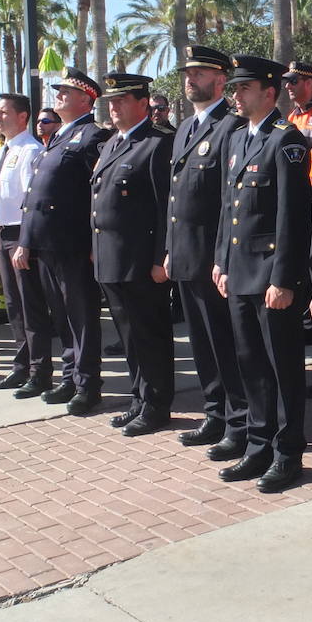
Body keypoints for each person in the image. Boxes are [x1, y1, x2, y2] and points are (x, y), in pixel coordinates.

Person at [214, 55, 312, 492]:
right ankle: (258, 446)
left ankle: (287, 453)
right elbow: (229, 210)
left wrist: (285, 279)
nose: (235, 95)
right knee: (251, 365)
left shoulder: (285, 140)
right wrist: (221, 260)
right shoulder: (237, 140)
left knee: (283, 368)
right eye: (234, 88)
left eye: (243, 88)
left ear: (268, 93)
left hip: (271, 278)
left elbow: (294, 217)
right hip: (239, 273)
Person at [165, 45, 249, 458]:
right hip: (185, 254)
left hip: (214, 257)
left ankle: (240, 421)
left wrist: (223, 258)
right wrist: (168, 248)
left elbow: (230, 201)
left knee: (225, 344)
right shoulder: (184, 129)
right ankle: (215, 413)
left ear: (221, 80)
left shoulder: (231, 127)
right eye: (188, 73)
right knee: (201, 343)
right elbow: (175, 197)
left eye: (199, 73)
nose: (190, 79)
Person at [17, 68, 110, 408]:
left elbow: (99, 194)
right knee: (62, 315)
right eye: (58, 91)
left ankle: (87, 384)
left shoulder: (92, 137)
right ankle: (71, 377)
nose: (59, 96)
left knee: (82, 316)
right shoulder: (57, 137)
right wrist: (28, 240)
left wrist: (92, 243)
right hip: (48, 243)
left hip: (73, 243)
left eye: (66, 92)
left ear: (86, 99)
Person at [93, 73, 176, 429]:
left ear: (143, 103)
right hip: (112, 257)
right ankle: (139, 398)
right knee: (128, 336)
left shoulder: (158, 143)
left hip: (142, 261)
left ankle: (157, 406)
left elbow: (165, 207)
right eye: (111, 101)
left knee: (150, 335)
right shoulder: (112, 143)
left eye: (122, 100)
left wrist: (161, 257)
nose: (114, 107)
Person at [0, 93, 48, 393]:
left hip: (21, 234)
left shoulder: (31, 150)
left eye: (4, 112)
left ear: (23, 117)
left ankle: (39, 371)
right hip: (2, 234)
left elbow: (30, 202)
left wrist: (25, 242)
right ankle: (21, 367)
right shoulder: (1, 153)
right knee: (13, 305)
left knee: (30, 305)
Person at [284, 60, 312, 137]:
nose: (287, 86)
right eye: (287, 81)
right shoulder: (292, 116)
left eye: (293, 81)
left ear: (308, 83)